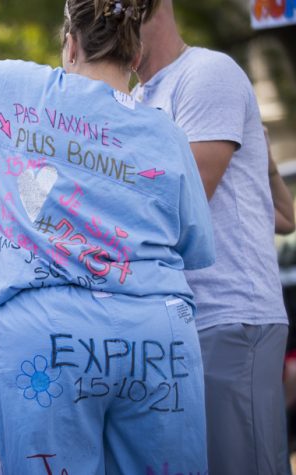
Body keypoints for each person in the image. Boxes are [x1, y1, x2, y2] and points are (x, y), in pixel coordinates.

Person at [0, 0, 216, 472]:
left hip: (44, 336)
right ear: (135, 58)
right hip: (157, 340)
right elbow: (193, 241)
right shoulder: (165, 133)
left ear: (70, 46)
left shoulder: (15, 87)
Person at [134, 2, 292, 473]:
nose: (104, 16)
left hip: (227, 315)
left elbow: (182, 206)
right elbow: (283, 216)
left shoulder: (206, 73)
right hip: (185, 325)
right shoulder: (136, 98)